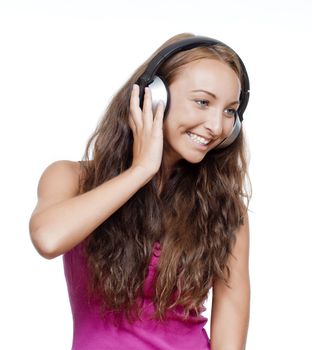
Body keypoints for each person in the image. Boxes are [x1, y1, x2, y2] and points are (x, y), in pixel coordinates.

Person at [29, 32, 251, 350]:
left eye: (230, 111)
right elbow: (48, 239)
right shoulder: (71, 178)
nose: (216, 126)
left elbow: (230, 324)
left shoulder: (225, 210)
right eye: (203, 102)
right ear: (154, 96)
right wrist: (140, 170)